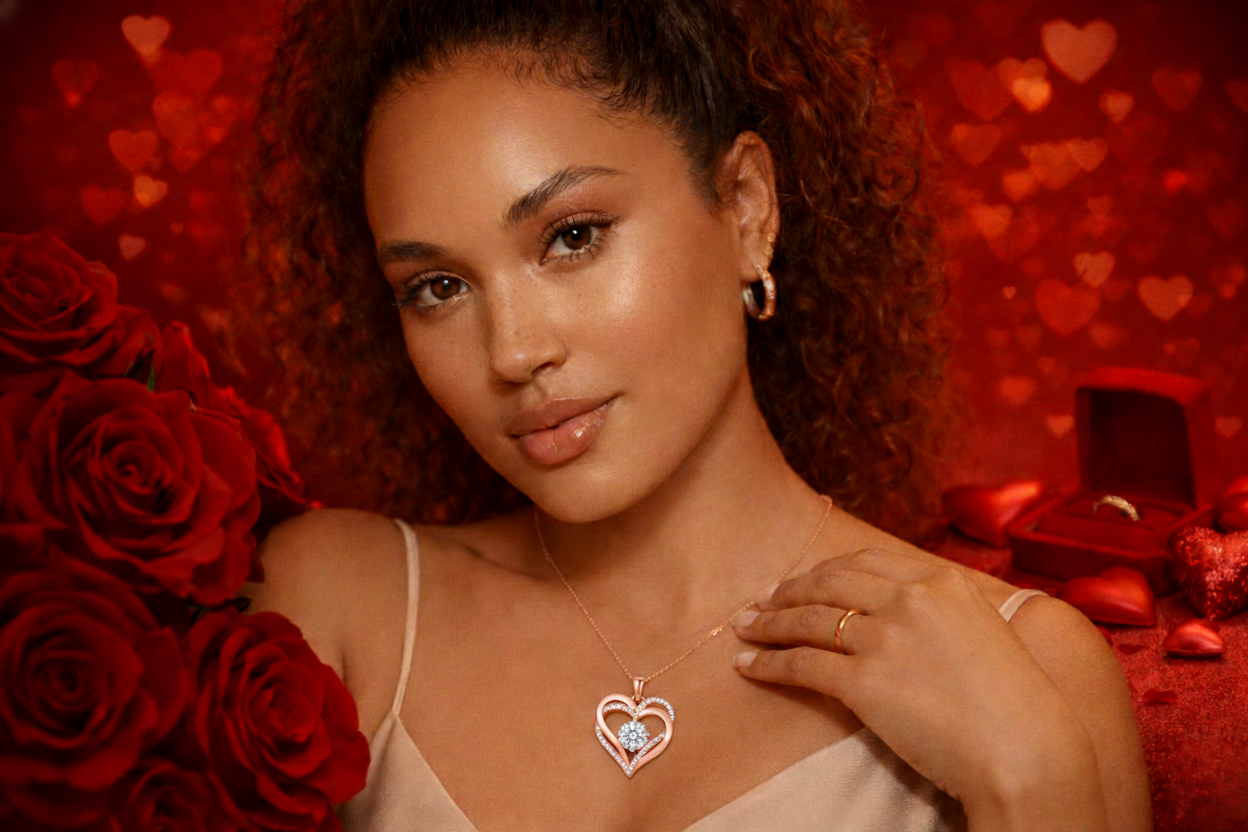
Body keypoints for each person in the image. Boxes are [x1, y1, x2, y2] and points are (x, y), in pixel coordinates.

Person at [242, 1, 1152, 829]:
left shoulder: (1029, 675)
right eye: (437, 287)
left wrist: (1031, 787)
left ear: (746, 208)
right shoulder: (339, 608)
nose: (513, 353)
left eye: (572, 236)